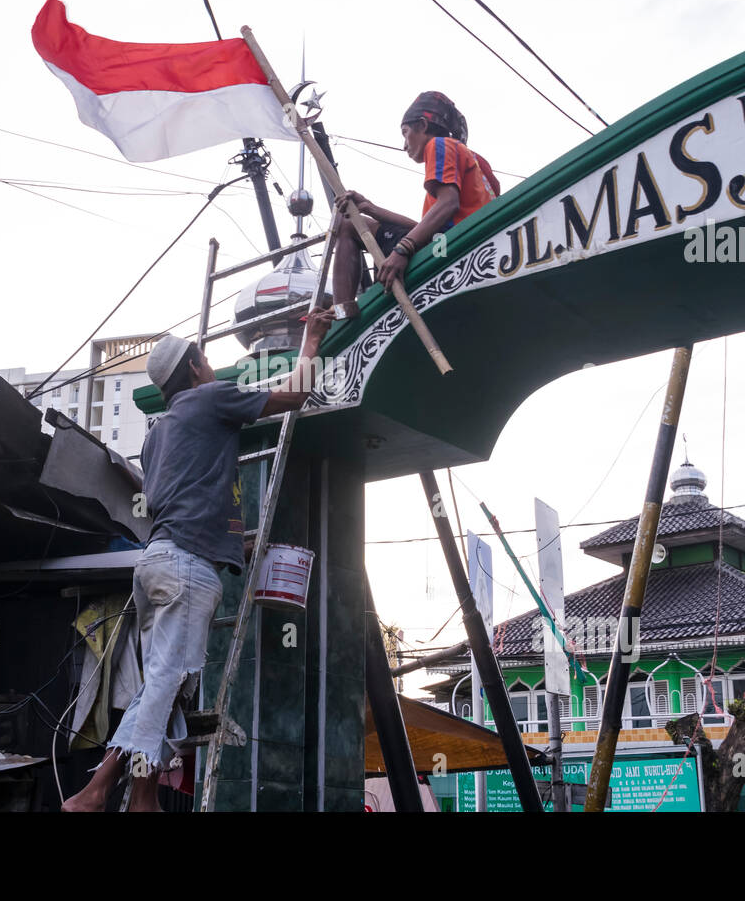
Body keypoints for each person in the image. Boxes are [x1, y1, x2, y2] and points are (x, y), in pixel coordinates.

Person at [61, 307, 335, 812]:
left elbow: (183, 505)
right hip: (187, 569)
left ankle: (143, 800)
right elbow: (297, 395)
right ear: (193, 369)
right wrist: (312, 338)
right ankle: (94, 792)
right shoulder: (210, 398)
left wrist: (239, 545)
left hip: (158, 564)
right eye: (206, 361)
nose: (211, 369)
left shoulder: (158, 434)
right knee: (166, 683)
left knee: (162, 689)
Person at [330, 91, 499, 317]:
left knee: (347, 226)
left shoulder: (439, 145)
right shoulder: (476, 161)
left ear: (422, 125)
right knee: (360, 220)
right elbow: (423, 226)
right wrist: (372, 209)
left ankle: (340, 314)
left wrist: (402, 250)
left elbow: (448, 204)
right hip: (454, 243)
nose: (404, 145)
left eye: (405, 132)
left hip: (448, 248)